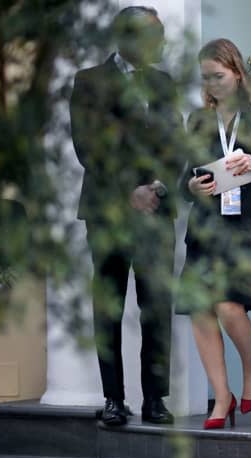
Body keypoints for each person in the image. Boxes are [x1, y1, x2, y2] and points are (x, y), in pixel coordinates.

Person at [70, 6, 182, 426]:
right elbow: (88, 145)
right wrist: (127, 192)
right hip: (109, 213)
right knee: (110, 308)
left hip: (156, 209)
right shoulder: (89, 82)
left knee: (156, 305)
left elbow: (175, 141)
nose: (162, 44)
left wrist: (155, 186)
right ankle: (114, 399)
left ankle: (155, 399)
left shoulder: (163, 83)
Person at [175, 38, 251, 429]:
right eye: (206, 78)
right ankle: (222, 397)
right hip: (206, 229)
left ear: (238, 73)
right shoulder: (198, 120)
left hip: (246, 229)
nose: (212, 84)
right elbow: (185, 178)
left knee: (227, 305)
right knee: (201, 313)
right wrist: (190, 188)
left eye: (219, 76)